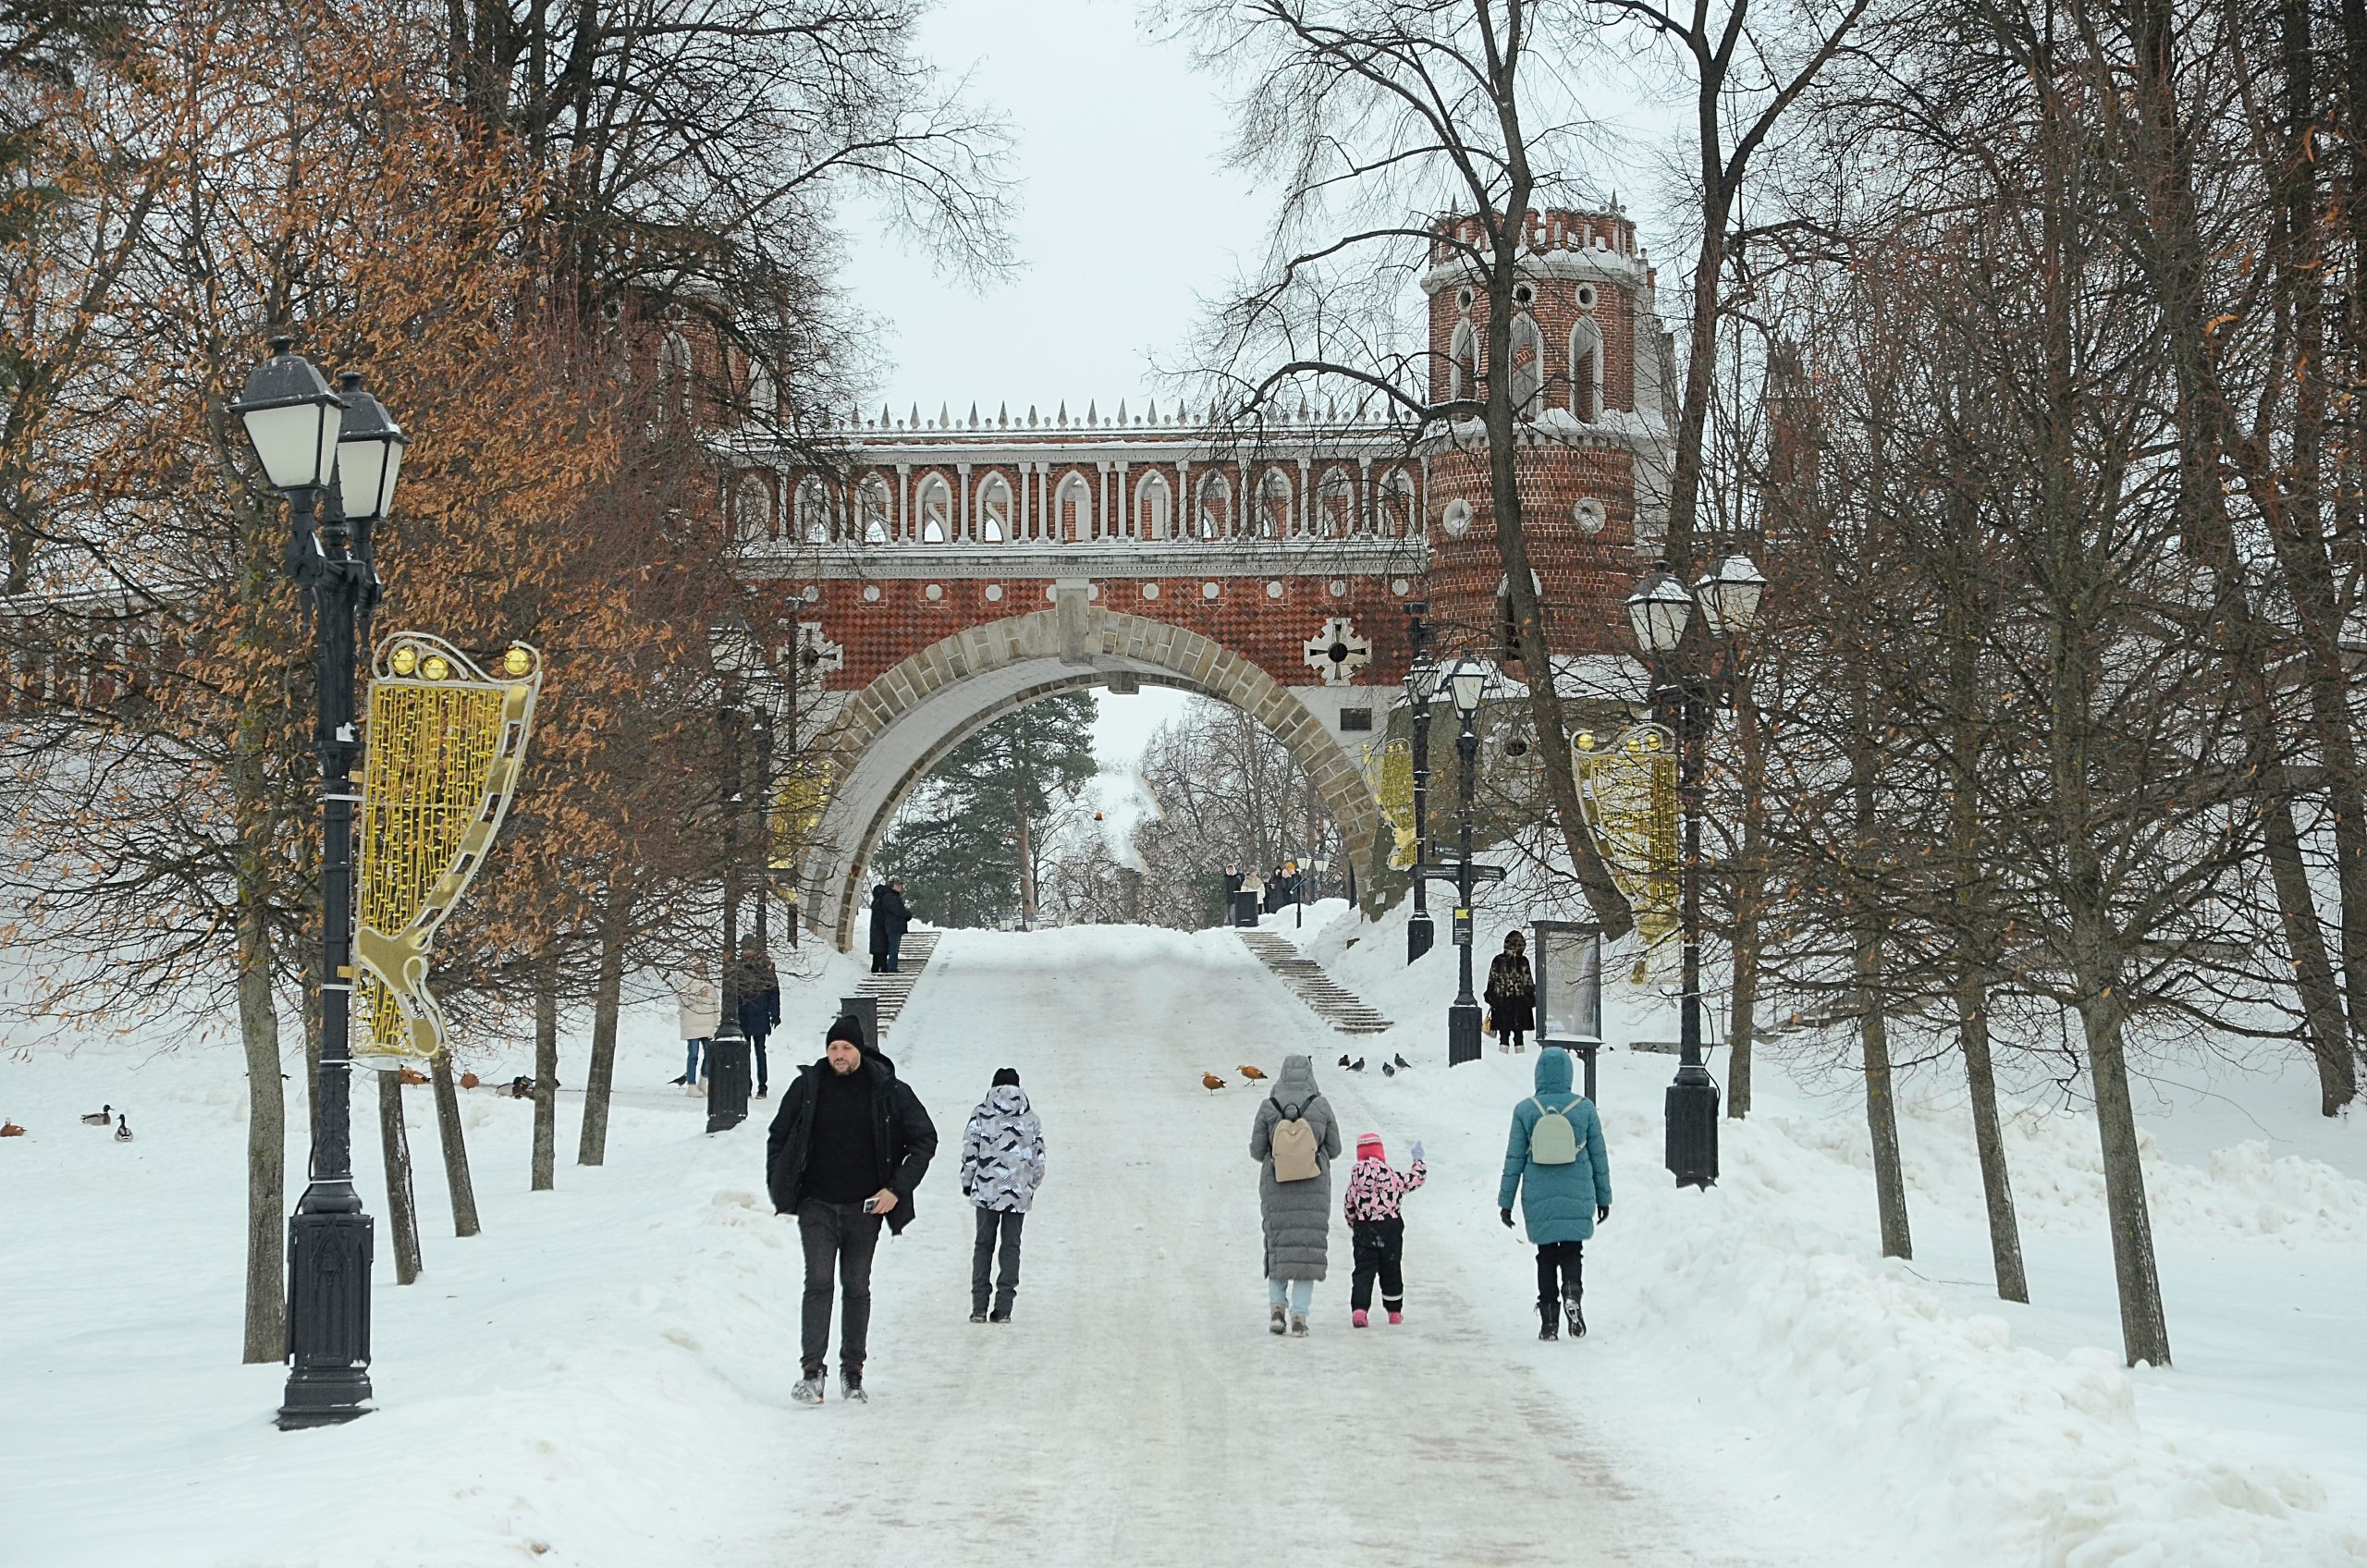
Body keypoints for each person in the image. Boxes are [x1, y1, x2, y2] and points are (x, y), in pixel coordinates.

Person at [766, 1014, 938, 1404]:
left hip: (866, 1208)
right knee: (819, 1282)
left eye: (845, 1048)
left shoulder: (887, 1090)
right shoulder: (808, 1087)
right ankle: (812, 1372)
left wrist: (896, 1189)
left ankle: (853, 1372)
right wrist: (782, 1181)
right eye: (832, 1048)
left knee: (857, 1287)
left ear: (859, 1050)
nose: (838, 1055)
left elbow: (924, 1140)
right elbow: (779, 1135)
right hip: (817, 1205)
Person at [1498, 1047, 1611, 1341]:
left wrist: (1505, 1203)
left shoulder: (1525, 1110)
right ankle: (1572, 1291)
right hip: (1578, 1188)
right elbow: (1599, 1157)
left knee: (1545, 1255)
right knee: (1572, 1250)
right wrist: (1604, 1198)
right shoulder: (1584, 1108)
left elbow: (1513, 1160)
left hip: (1539, 1192)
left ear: (1539, 1074)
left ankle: (1549, 1323)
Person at [1249, 1053, 1340, 1336]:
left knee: (1278, 1248)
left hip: (1276, 1186)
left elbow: (1256, 1150)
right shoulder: (1321, 1105)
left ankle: (1277, 1311)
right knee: (1306, 1252)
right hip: (1314, 1187)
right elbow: (1335, 1149)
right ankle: (1300, 1316)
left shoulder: (1269, 1107)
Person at [960, 1067, 1045, 1324]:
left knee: (983, 1244)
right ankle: (1004, 1309)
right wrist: (1030, 1185)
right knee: (1011, 1246)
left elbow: (970, 1151)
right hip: (1017, 1192)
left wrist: (967, 1181)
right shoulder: (1031, 1119)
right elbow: (1039, 1160)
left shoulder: (981, 1114)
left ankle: (978, 1308)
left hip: (986, 1189)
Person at [1342, 1132, 1427, 1328]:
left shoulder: (1356, 1179)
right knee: (1391, 1269)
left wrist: (1352, 1221)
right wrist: (1418, 1161)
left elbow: (1348, 1204)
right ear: (1380, 1153)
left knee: (1363, 1270)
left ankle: (1360, 1311)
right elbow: (1414, 1180)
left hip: (1364, 1228)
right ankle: (1394, 1312)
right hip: (1390, 1228)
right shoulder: (1392, 1177)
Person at [730, 934, 781, 1098]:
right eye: (745, 949)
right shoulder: (739, 967)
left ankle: (762, 1086)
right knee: (746, 1053)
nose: (747, 952)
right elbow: (733, 992)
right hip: (745, 1015)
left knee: (760, 1051)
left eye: (749, 949)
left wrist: (775, 1014)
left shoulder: (765, 967)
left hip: (759, 1014)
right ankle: (747, 1085)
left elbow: (773, 992)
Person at [671, 959, 719, 1092]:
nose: (702, 968)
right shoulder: (685, 982)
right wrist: (699, 996)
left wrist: (717, 1022)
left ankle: (703, 1081)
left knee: (710, 1054)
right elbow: (683, 1000)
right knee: (693, 1054)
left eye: (704, 965)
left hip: (708, 1023)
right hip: (692, 1024)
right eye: (699, 965)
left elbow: (715, 1003)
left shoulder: (709, 982)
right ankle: (691, 1085)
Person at [1485, 930, 1537, 1054]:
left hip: (1502, 1002)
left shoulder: (1498, 960)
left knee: (1504, 1033)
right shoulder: (1523, 961)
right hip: (1520, 1003)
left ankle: (1503, 1056)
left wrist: (1492, 997)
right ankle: (1520, 1056)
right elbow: (1528, 982)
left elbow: (1492, 980)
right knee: (1519, 1034)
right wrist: (1530, 998)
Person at [868, 876, 911, 973]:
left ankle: (889, 967)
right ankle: (892, 967)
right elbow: (897, 910)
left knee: (893, 947)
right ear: (892, 886)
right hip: (893, 926)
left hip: (893, 926)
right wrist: (907, 914)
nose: (900, 887)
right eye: (897, 884)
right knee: (893, 948)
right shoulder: (889, 896)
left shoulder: (892, 896)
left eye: (900, 885)